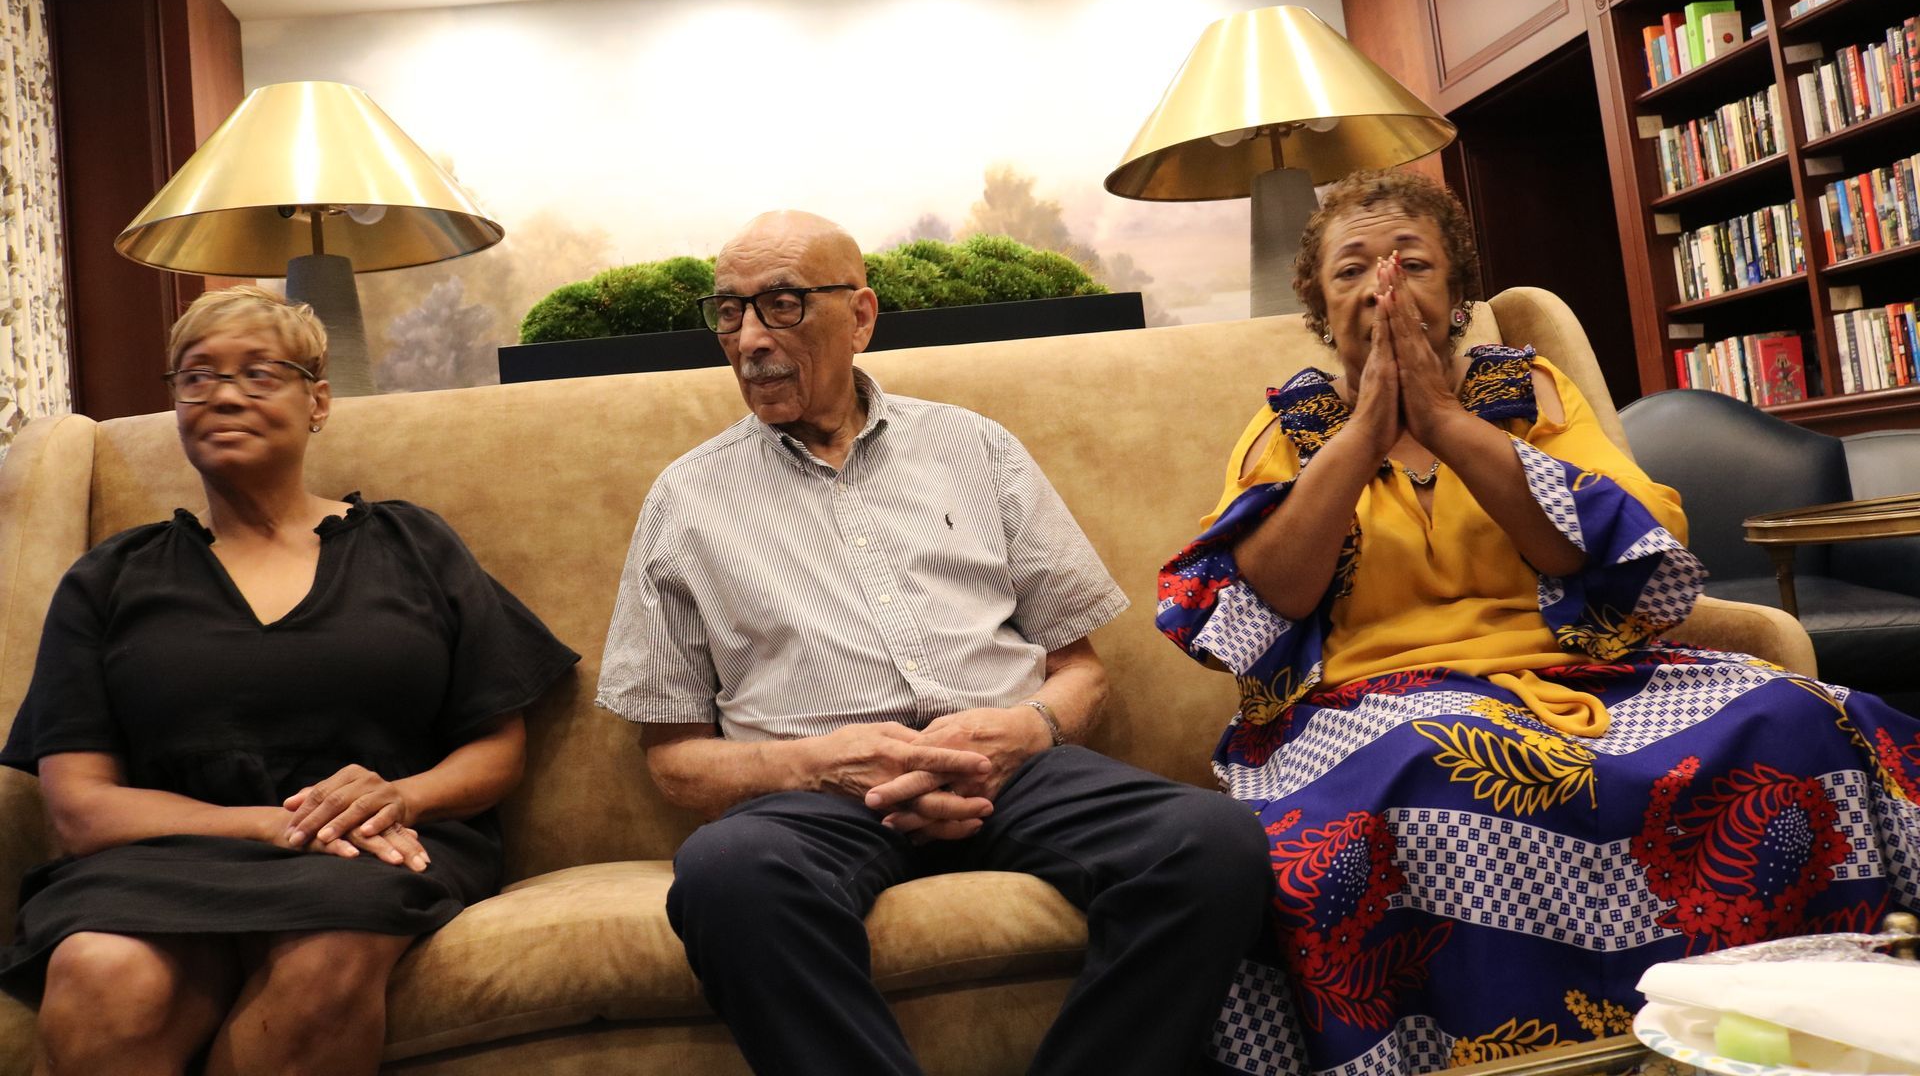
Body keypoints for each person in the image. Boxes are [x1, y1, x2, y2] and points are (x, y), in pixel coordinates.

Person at [1157, 169, 1920, 1076]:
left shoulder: (1532, 393)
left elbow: (1614, 542)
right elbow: (1267, 593)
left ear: (1456, 292)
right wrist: (1364, 434)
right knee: (1439, 763)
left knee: (1809, 718)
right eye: (1351, 270)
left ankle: (1806, 1031)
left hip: (1582, 678)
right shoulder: (1291, 429)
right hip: (1370, 705)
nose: (1382, 286)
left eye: (1412, 262)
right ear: (1322, 309)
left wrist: (1441, 417)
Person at [597, 210, 1273, 1075]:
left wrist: (1026, 731)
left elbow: (1079, 671)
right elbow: (674, 761)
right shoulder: (686, 500)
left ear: (862, 316)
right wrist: (822, 762)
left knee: (1211, 843)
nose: (750, 340)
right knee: (729, 873)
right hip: (817, 798)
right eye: (729, 312)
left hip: (1013, 771)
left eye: (783, 306)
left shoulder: (972, 446)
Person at [0, 286, 578, 1076]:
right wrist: (270, 824)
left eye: (260, 373)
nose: (225, 394)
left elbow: (495, 750)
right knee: (101, 973)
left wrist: (403, 796)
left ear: (319, 400)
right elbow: (80, 808)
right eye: (197, 377)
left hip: (369, 855)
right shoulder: (110, 579)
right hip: (164, 862)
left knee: (329, 954)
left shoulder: (412, 545)